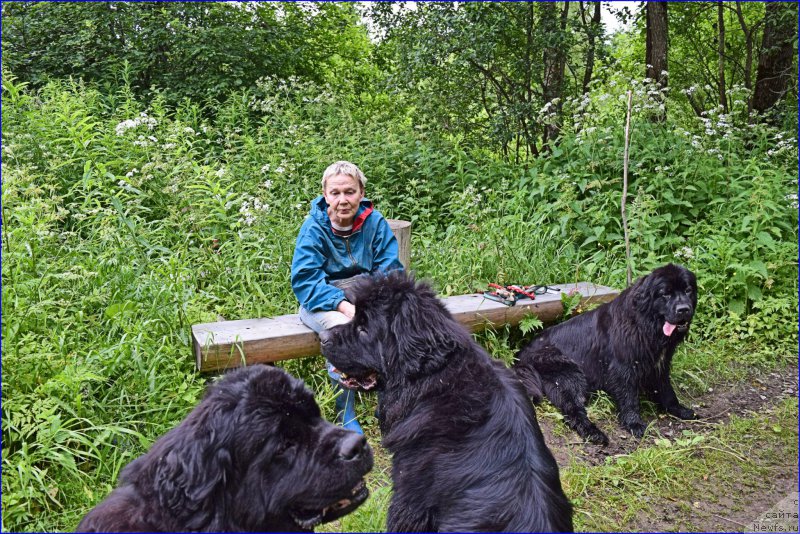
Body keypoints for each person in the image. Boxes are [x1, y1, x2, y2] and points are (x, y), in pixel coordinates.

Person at [291, 160, 404, 434]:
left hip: (364, 296)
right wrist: (342, 304)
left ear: (361, 192)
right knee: (341, 332)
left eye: (350, 192)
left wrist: (369, 306)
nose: (343, 200)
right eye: (336, 193)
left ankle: (388, 403)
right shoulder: (314, 227)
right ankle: (345, 412)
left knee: (393, 325)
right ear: (325, 195)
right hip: (322, 301)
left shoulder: (375, 223)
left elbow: (390, 271)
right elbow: (305, 281)